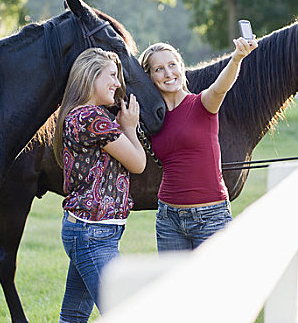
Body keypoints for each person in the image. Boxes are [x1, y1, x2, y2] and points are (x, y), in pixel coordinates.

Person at [52, 47, 146, 322]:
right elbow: (138, 163)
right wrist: (129, 126)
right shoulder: (91, 118)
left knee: (73, 316)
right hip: (93, 234)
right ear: (90, 76)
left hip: (88, 230)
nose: (118, 84)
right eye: (112, 75)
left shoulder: (80, 115)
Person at [139, 37, 258, 252]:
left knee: (214, 286)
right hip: (169, 220)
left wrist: (237, 58)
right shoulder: (152, 119)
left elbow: (220, 88)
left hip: (211, 218)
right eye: (159, 69)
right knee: (172, 286)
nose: (168, 73)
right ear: (149, 77)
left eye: (172, 65)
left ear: (181, 67)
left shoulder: (201, 105)